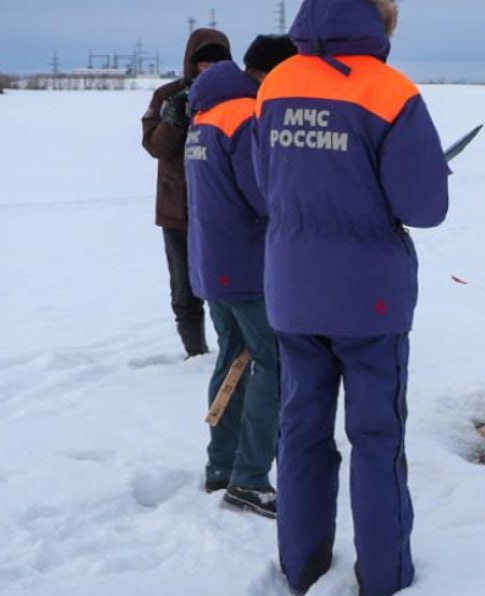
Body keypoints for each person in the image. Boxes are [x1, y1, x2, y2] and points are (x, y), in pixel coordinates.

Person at [252, 1, 449, 594]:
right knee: (376, 439)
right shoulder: (391, 92)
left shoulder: (277, 83)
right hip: (370, 301)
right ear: (381, 22)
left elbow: (268, 183)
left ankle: (300, 566)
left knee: (301, 433)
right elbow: (424, 207)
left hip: (291, 288)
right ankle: (384, 576)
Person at [184, 35, 297, 518]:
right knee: (272, 362)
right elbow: (261, 195)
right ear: (271, 73)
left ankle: (221, 467)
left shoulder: (204, 114)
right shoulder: (245, 116)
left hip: (211, 263)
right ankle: (250, 478)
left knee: (233, 356)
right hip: (247, 266)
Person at [141, 28, 231, 358]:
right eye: (201, 62)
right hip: (176, 208)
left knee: (227, 283)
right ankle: (196, 354)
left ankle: (233, 350)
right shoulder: (167, 95)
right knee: (183, 289)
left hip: (223, 208)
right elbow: (156, 148)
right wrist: (172, 121)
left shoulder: (236, 97)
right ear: (190, 63)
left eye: (215, 62)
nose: (207, 68)